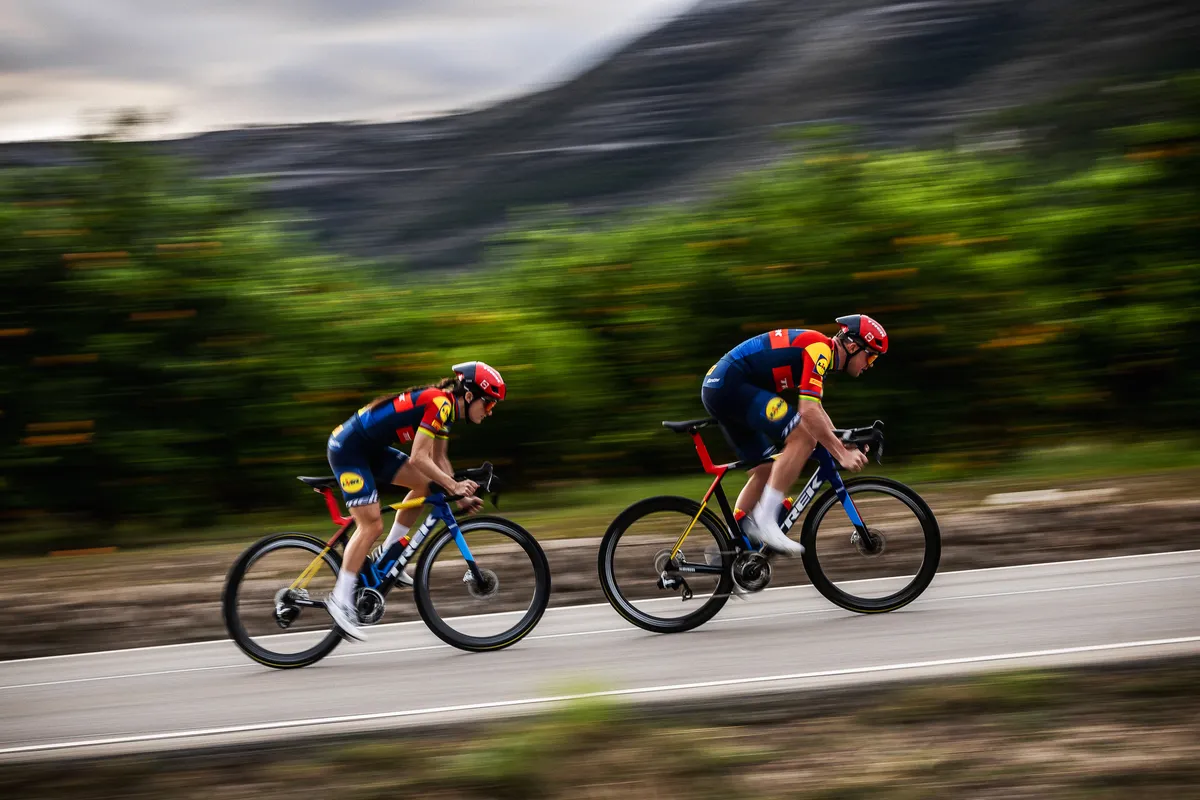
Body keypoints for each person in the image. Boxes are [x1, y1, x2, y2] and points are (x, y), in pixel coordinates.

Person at [324, 361, 506, 641]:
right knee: (371, 525)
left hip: (371, 449)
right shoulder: (440, 403)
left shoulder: (446, 411)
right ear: (469, 396)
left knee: (426, 486)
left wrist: (458, 497)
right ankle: (340, 599)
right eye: (489, 404)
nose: (490, 412)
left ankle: (388, 556)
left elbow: (438, 460)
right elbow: (419, 457)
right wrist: (454, 485)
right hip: (349, 450)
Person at [700, 315, 887, 556]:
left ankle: (733, 551)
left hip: (722, 387)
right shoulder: (820, 350)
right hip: (731, 385)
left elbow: (816, 409)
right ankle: (767, 521)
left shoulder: (822, 353)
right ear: (853, 346)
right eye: (870, 356)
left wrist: (843, 442)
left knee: (765, 469)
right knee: (803, 438)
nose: (869, 364)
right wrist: (840, 454)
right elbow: (807, 411)